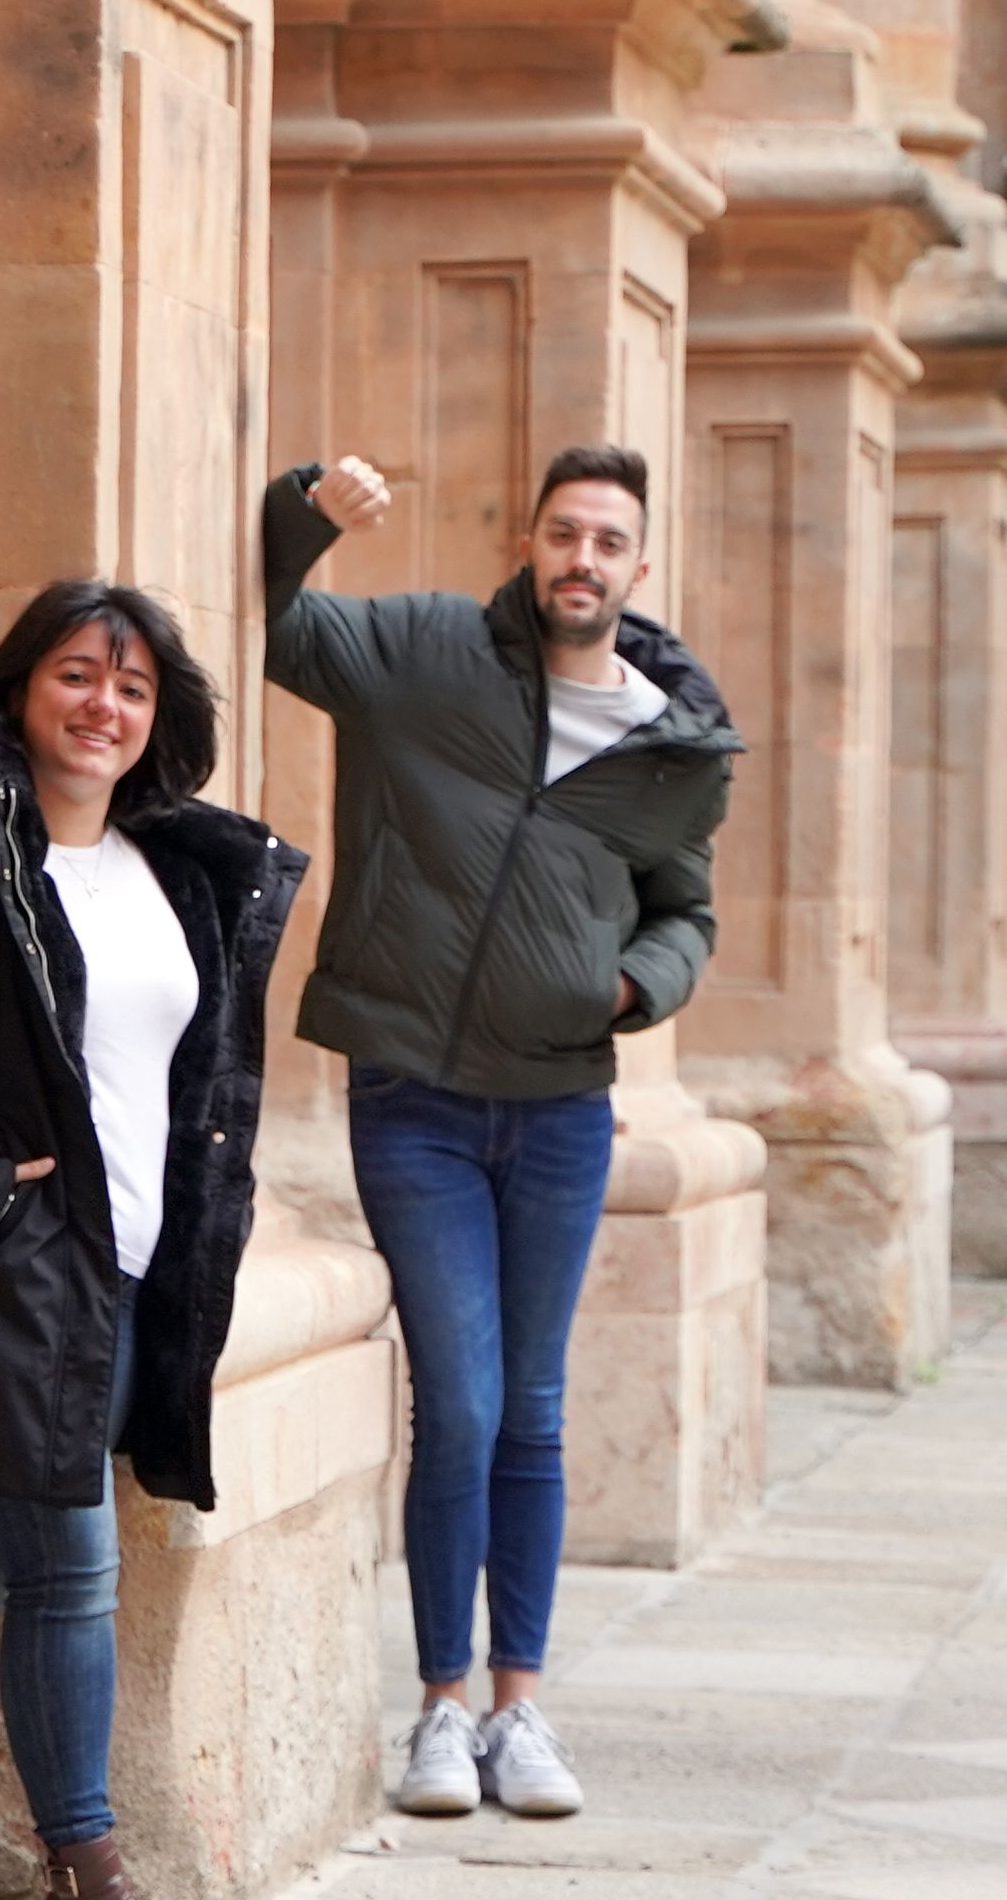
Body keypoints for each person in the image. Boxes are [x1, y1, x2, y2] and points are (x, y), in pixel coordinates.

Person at [261, 444, 739, 1823]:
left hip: (561, 1106)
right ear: (529, 543)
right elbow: (284, 618)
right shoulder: (421, 652)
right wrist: (305, 510)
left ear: (638, 566)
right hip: (410, 1090)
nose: (582, 558)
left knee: (529, 1408)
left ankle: (522, 1712)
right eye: (563, 532)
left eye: (608, 540)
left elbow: (684, 908)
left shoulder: (671, 741)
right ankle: (437, 1708)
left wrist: (639, 982)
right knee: (459, 1401)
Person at [0, 585, 306, 1900]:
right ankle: (87, 1892)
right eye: (76, 675)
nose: (102, 706)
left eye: (130, 686)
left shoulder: (171, 872)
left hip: (133, 1270)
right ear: (21, 689)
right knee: (70, 1567)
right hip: (11, 1268)